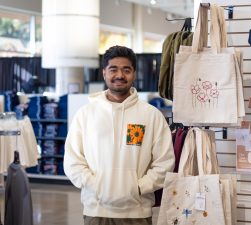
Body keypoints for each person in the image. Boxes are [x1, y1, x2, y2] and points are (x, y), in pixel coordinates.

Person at [64, 45, 175, 225]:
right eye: (113, 69)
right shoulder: (85, 114)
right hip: (96, 209)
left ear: (134, 73)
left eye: (126, 70)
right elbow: (73, 161)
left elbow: (164, 162)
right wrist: (97, 186)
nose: (120, 75)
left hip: (137, 212)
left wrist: (137, 188)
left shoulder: (151, 115)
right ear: (104, 73)